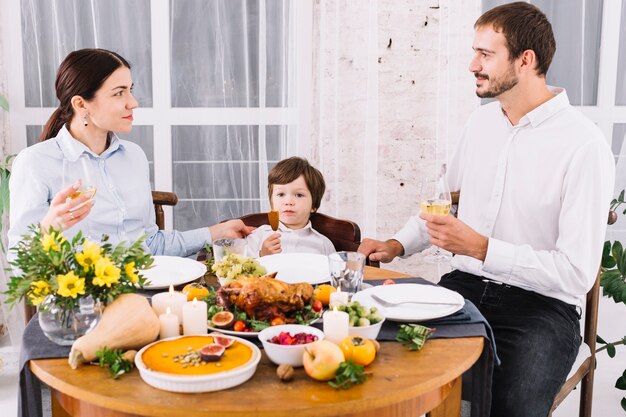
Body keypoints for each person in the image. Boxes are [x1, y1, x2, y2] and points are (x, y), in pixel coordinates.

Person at [358, 3, 615, 417]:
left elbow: (576, 273)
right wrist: (396, 244)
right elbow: (441, 206)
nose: (472, 64)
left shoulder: (583, 146)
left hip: (543, 310)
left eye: (486, 54)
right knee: (387, 369)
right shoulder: (480, 126)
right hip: (466, 289)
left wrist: (482, 248)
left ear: (525, 60)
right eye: (474, 52)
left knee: (507, 407)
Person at [8, 48, 251, 257]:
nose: (133, 102)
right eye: (119, 93)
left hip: (145, 288)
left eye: (130, 90)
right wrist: (47, 229)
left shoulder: (133, 157)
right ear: (81, 104)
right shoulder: (35, 163)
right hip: (84, 303)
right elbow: (21, 266)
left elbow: (150, 246)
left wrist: (215, 232)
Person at [246, 157, 335, 257]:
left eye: (299, 195)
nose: (288, 202)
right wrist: (262, 255)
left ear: (313, 205)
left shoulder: (323, 244)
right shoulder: (259, 235)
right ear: (272, 203)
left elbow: (335, 271)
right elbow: (241, 267)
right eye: (281, 194)